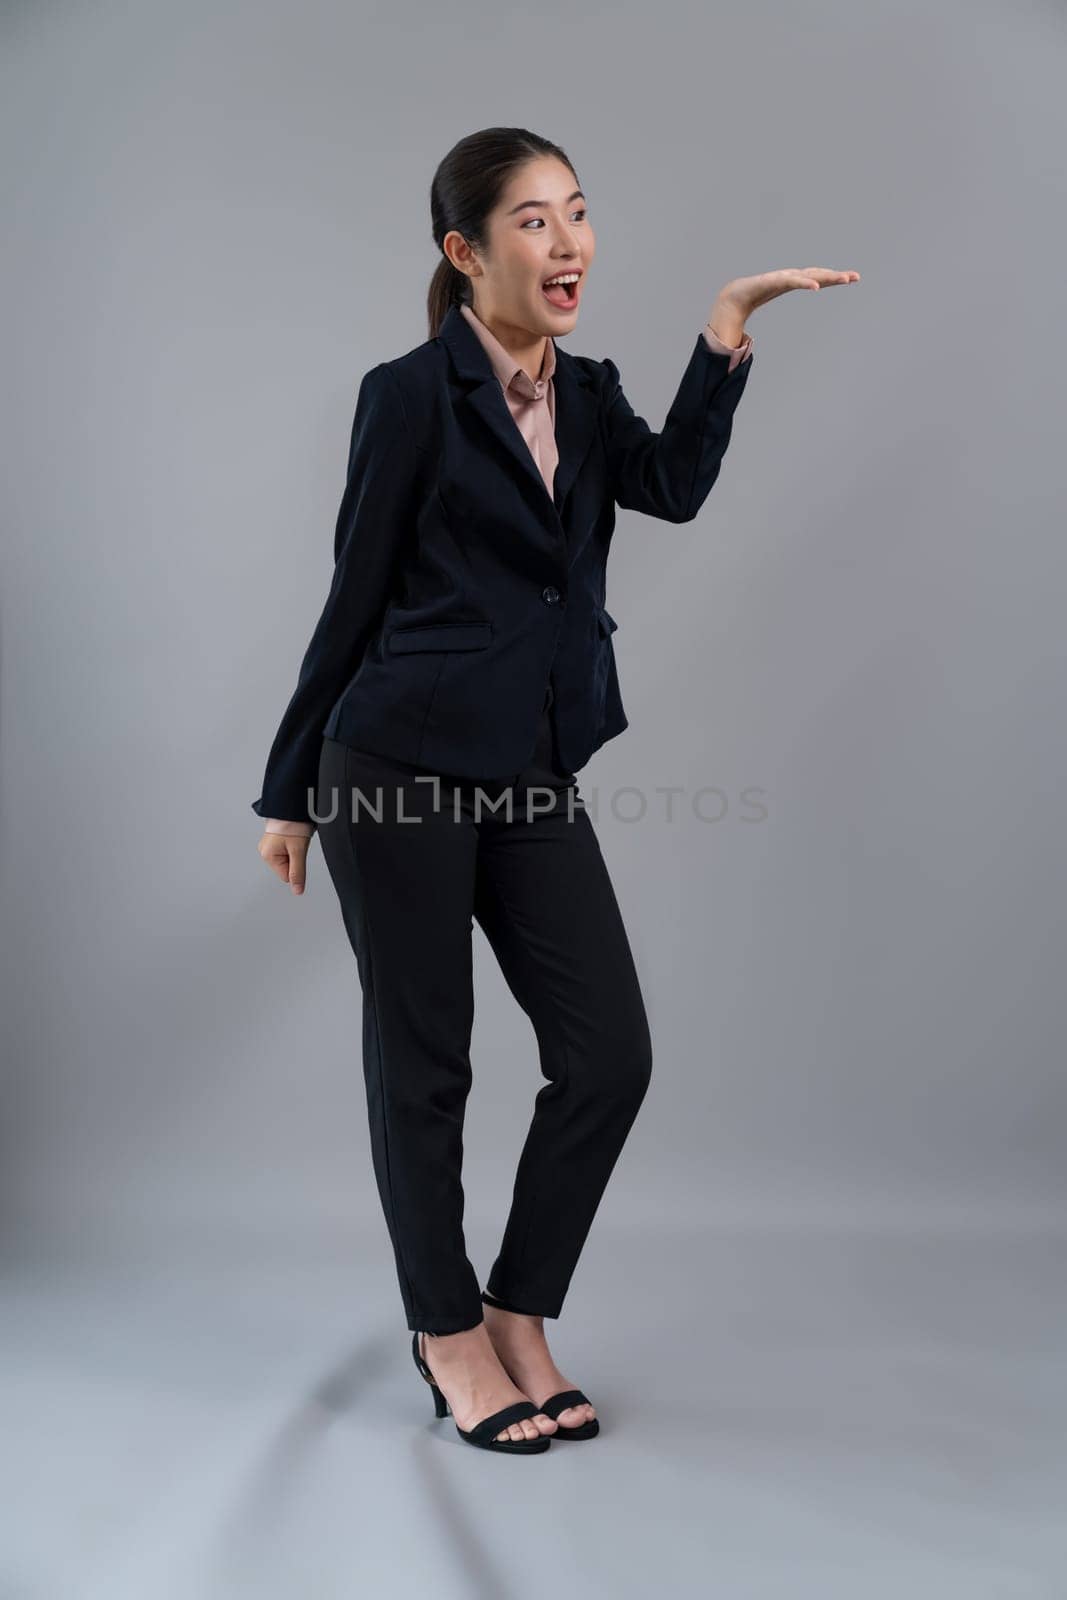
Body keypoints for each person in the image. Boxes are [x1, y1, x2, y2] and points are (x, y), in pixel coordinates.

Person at [252, 126, 859, 1455]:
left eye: (578, 213)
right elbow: (352, 595)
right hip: (395, 765)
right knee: (427, 1068)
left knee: (608, 1057)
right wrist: (288, 789)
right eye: (534, 221)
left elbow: (676, 489)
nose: (570, 242)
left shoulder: (587, 397)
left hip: (529, 770)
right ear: (465, 255)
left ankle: (521, 1310)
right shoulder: (407, 397)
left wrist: (725, 335)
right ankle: (449, 1332)